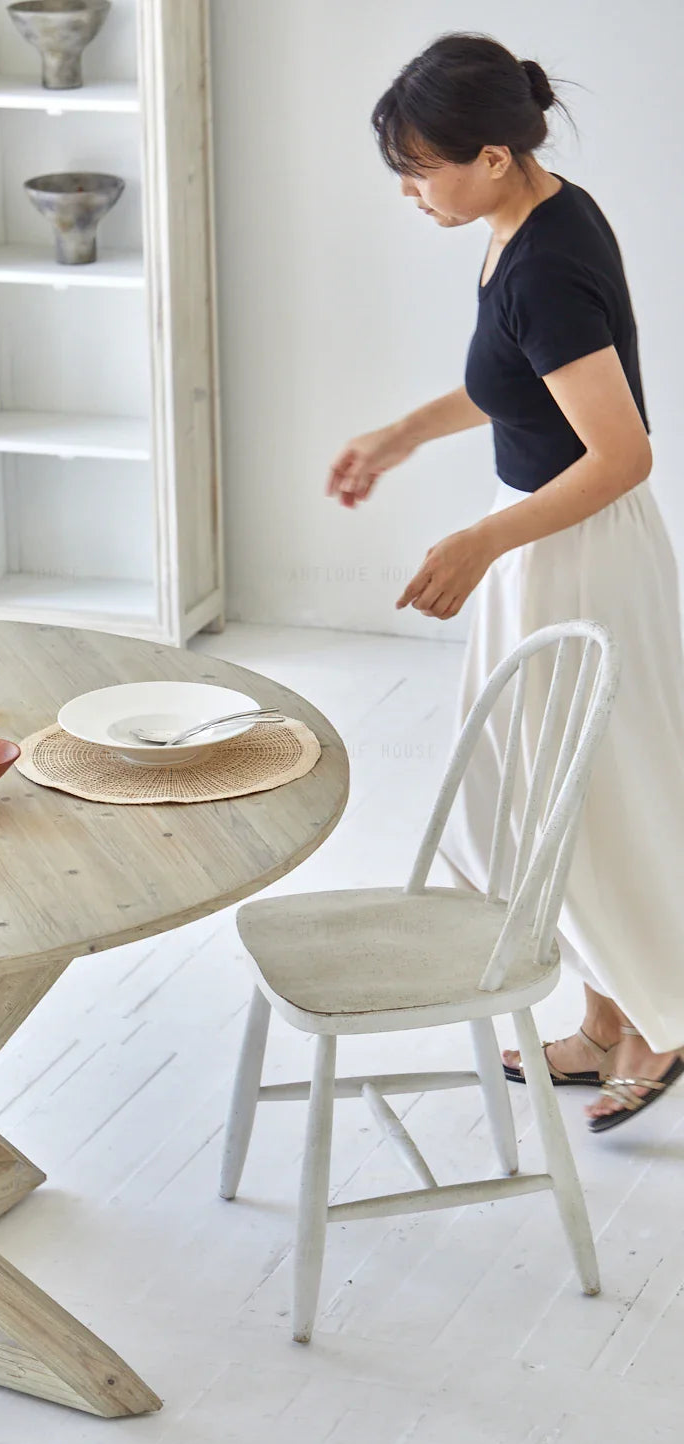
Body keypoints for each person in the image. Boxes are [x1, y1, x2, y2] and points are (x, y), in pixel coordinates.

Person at [327, 32, 684, 1132]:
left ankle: (664, 1021)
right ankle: (607, 1013)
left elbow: (620, 453)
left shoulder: (543, 261)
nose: (409, 191)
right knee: (550, 797)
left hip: (576, 556)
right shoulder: (529, 216)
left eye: (420, 166)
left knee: (600, 798)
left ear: (489, 154)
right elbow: (519, 381)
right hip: (549, 543)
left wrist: (485, 544)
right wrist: (403, 433)